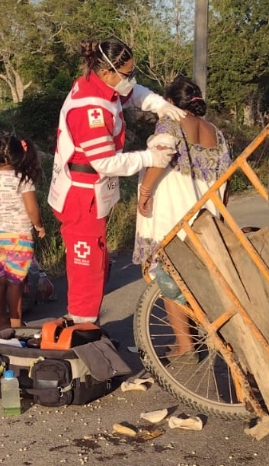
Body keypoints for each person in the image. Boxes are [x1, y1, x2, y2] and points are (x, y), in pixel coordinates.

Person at [47, 39, 182, 324]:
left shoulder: (97, 84)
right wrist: (149, 158)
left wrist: (158, 104)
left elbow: (132, 93)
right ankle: (82, 327)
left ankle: (87, 321)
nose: (130, 80)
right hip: (81, 194)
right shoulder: (90, 109)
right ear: (108, 72)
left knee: (96, 259)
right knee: (87, 264)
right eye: (126, 74)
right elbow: (105, 162)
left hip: (90, 189)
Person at [132, 76, 232, 356]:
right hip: (205, 211)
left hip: (172, 207)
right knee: (193, 275)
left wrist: (145, 192)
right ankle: (198, 335)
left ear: (171, 102)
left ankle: (185, 344)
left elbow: (162, 156)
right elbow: (227, 177)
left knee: (167, 276)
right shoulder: (215, 131)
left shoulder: (170, 121)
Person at [0, 135, 46, 329]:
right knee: (15, 283)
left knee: (0, 281)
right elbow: (32, 210)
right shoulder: (23, 179)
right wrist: (39, 226)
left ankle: (0, 322)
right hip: (20, 237)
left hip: (0, 238)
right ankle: (16, 324)